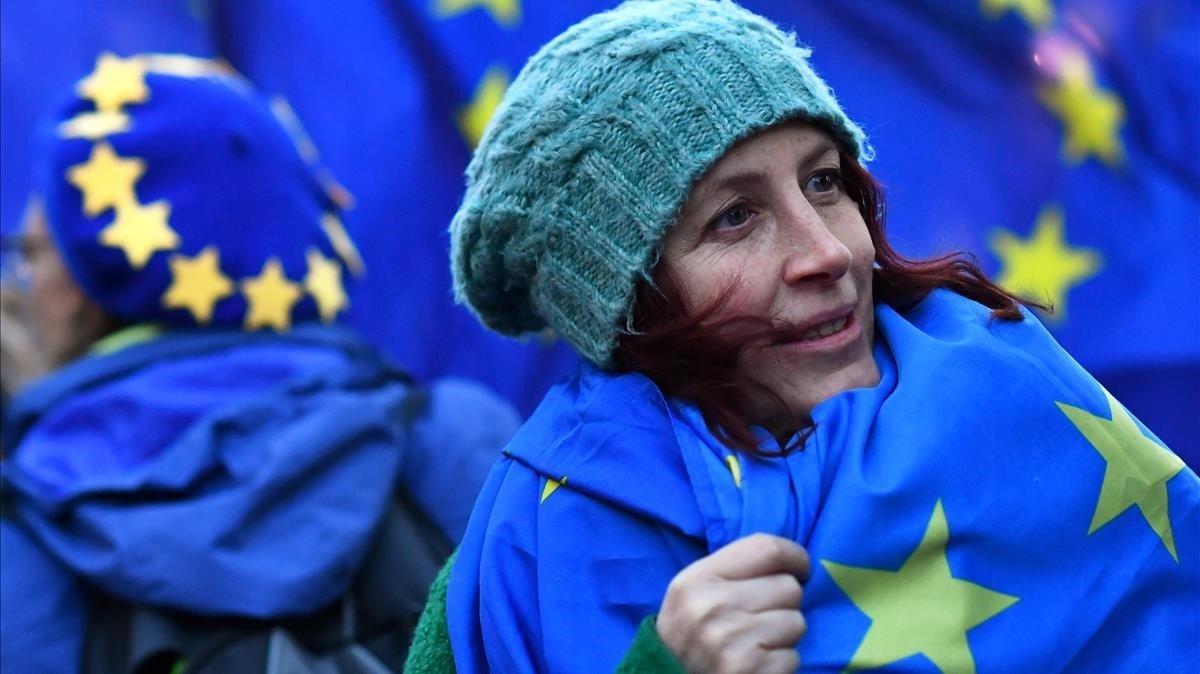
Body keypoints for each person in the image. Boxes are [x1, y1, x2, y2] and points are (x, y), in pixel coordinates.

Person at [404, 1, 1200, 672]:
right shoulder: (519, 559)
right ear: (628, 300)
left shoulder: (1016, 389)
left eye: (824, 182)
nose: (826, 252)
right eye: (735, 217)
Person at [0, 54, 520, 674]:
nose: (18, 287)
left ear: (91, 274)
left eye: (31, 254)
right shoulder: (452, 434)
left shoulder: (29, 517)